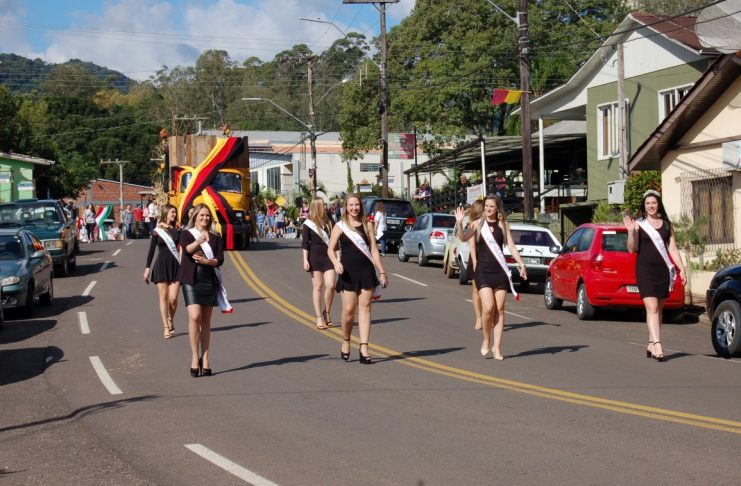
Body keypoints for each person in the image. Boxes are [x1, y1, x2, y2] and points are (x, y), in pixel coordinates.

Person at [624, 190, 686, 362]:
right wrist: (631, 232)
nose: (651, 206)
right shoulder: (639, 224)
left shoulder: (667, 225)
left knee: (658, 309)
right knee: (652, 308)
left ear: (658, 204)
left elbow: (672, 249)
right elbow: (631, 248)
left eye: (653, 202)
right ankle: (658, 344)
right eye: (647, 203)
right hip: (645, 271)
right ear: (644, 206)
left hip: (662, 271)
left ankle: (651, 343)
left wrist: (682, 269)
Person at [327, 193, 388, 365]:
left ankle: (364, 347)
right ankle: (346, 340)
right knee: (348, 311)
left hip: (366, 271)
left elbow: (374, 250)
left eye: (357, 205)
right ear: (346, 207)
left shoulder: (368, 225)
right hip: (348, 272)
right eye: (351, 205)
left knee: (365, 307)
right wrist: (335, 262)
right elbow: (330, 249)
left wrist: (382, 272)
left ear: (361, 206)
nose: (354, 208)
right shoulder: (339, 226)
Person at [467, 195, 527, 360]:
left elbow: (511, 246)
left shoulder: (503, 224)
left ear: (497, 208)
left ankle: (497, 348)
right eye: (486, 206)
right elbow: (466, 239)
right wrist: (459, 224)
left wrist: (521, 264)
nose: (488, 209)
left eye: (491, 206)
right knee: (488, 308)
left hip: (500, 271)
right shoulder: (477, 224)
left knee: (499, 309)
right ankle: (486, 340)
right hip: (483, 271)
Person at [177, 204, 227, 377]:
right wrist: (198, 242)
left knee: (205, 321)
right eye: (202, 215)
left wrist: (208, 262)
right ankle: (194, 356)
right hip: (191, 280)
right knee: (195, 316)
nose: (205, 218)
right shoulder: (186, 233)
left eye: (207, 215)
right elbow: (186, 251)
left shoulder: (216, 236)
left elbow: (220, 259)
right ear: (195, 217)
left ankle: (205, 358)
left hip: (209, 280)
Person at [143, 205, 181, 339]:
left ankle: (171, 319)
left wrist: (169, 227)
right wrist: (147, 268)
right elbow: (151, 250)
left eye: (175, 212)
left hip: (175, 265)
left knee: (173, 298)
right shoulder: (157, 231)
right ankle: (165, 326)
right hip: (161, 266)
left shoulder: (177, 229)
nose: (174, 214)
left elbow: (177, 239)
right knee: (163, 297)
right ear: (166, 213)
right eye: (172, 212)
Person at [302, 198, 337, 330]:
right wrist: (305, 260)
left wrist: (338, 258)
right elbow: (305, 244)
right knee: (318, 286)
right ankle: (318, 317)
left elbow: (335, 241)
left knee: (331, 285)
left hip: (329, 257)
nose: (325, 206)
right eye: (323, 205)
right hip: (315, 257)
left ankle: (327, 312)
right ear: (317, 207)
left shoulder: (330, 221)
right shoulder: (308, 224)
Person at [455, 199, 485, 330]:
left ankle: (487, 315)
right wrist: (475, 262)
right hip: (476, 258)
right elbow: (472, 246)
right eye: (484, 209)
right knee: (476, 289)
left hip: (489, 259)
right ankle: (479, 317)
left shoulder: (491, 224)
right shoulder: (474, 224)